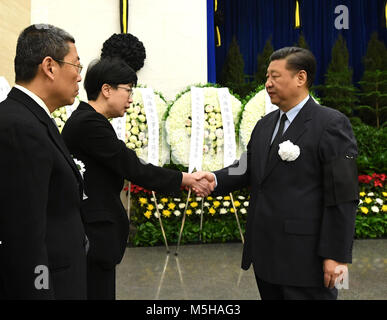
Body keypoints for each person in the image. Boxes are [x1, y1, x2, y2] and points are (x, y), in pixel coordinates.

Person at [195, 47, 358, 300]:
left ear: (300, 78)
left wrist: (336, 256)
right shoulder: (265, 125)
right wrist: (214, 178)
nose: (268, 84)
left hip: (306, 258)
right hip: (266, 256)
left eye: (275, 76)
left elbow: (342, 195)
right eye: (267, 77)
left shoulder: (330, 124)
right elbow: (247, 167)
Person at [61, 57, 214, 300]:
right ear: (106, 90)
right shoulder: (89, 124)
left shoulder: (89, 120)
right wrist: (186, 179)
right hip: (92, 237)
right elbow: (132, 166)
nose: (131, 99)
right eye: (128, 90)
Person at [0, 24, 87, 299]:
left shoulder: (31, 118)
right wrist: (40, 291)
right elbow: (25, 235)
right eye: (76, 65)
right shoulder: (19, 126)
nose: (79, 77)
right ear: (49, 67)